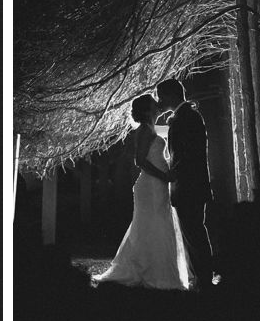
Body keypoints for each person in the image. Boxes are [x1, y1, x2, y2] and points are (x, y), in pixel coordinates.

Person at [92, 94, 191, 290]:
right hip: (151, 185)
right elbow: (140, 161)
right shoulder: (145, 130)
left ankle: (152, 267)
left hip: (157, 184)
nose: (159, 104)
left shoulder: (151, 129)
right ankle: (152, 272)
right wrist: (165, 176)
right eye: (155, 103)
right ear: (147, 110)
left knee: (154, 224)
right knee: (154, 224)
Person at [156, 77, 215, 291]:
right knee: (193, 233)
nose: (159, 100)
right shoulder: (185, 116)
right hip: (191, 185)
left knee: (194, 233)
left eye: (160, 96)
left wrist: (172, 174)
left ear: (171, 95)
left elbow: (186, 153)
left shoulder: (187, 117)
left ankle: (203, 279)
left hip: (189, 185)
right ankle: (200, 277)